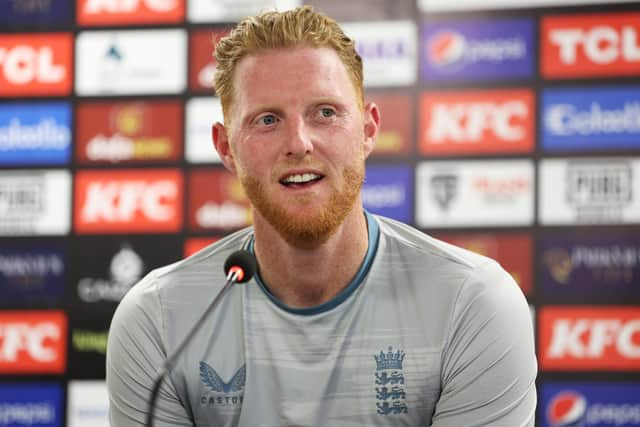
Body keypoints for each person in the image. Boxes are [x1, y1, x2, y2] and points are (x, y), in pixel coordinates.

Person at [106, 5, 537, 426]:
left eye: (325, 113)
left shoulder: (473, 302)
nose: (299, 143)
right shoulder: (157, 320)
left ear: (368, 131)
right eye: (268, 119)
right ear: (226, 148)